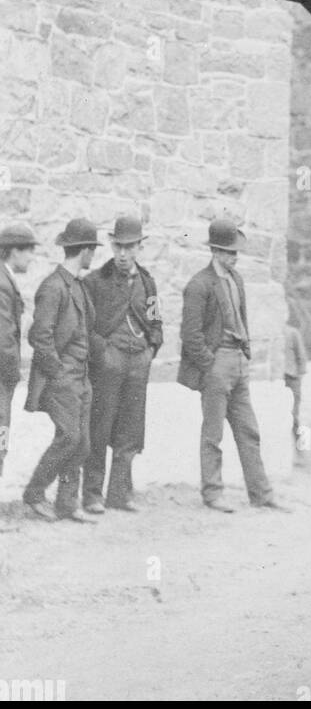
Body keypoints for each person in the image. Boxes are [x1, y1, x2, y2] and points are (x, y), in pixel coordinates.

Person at [178, 219, 285, 514]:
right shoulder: (199, 285)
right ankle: (212, 493)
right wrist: (209, 364)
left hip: (239, 362)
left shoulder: (236, 280)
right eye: (228, 251)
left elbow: (242, 318)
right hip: (217, 364)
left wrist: (245, 350)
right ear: (214, 251)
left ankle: (261, 493)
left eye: (236, 252)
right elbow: (190, 334)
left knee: (249, 430)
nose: (234, 257)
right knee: (213, 433)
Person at [82, 214, 163, 514]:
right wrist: (104, 352)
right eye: (118, 247)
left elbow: (157, 322)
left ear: (140, 247)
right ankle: (91, 495)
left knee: (130, 432)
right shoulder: (95, 282)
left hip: (138, 365)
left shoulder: (149, 283)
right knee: (99, 428)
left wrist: (150, 349)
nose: (123, 254)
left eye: (130, 247)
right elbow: (85, 327)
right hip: (108, 365)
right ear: (112, 246)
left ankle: (119, 494)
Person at [22, 218, 100, 523]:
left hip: (82, 378)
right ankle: (34, 493)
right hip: (63, 377)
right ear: (85, 251)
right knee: (69, 437)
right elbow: (39, 336)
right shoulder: (53, 287)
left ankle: (67, 503)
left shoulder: (77, 285)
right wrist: (57, 371)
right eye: (92, 248)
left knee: (83, 443)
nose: (94, 254)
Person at [0, 222, 37, 478]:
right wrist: (12, 373)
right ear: (14, 251)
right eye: (29, 251)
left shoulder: (6, 279)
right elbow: (4, 338)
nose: (32, 257)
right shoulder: (3, 284)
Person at [284, 324, 308, 458]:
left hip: (292, 378)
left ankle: (302, 449)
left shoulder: (293, 332)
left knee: (294, 416)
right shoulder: (269, 332)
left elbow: (301, 356)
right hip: (276, 379)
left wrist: (299, 377)